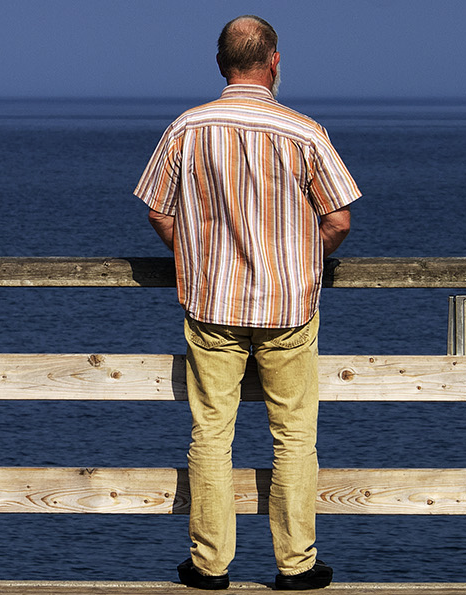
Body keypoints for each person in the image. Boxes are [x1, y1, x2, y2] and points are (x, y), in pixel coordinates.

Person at [133, 14, 360, 591]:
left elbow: (158, 209)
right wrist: (305, 262)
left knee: (211, 432)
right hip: (288, 309)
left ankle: (209, 566)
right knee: (294, 436)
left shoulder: (187, 128)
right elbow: (338, 219)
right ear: (275, 62)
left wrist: (194, 257)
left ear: (220, 64)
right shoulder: (304, 132)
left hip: (212, 306)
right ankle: (297, 564)